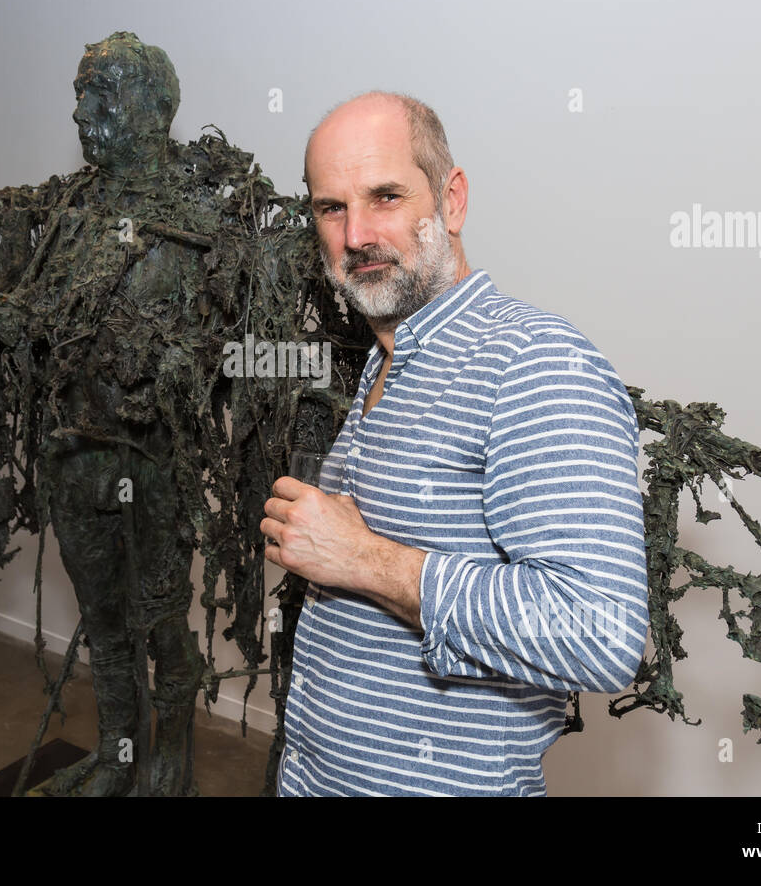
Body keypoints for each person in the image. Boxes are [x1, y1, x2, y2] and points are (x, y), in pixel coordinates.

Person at [261, 91, 649, 795]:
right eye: (331, 208)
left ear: (452, 199)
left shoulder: (534, 360)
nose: (356, 237)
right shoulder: (387, 357)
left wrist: (361, 558)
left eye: (385, 196)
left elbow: (600, 633)